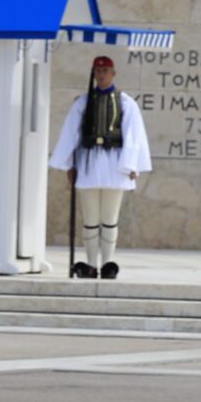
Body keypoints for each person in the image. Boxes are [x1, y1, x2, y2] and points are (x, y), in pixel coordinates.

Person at [49, 55, 153, 279]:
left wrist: (131, 165)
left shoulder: (125, 102)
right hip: (88, 163)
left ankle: (107, 263)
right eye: (97, 71)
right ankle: (90, 263)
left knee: (109, 217)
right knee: (90, 219)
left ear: (113, 74)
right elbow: (71, 134)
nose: (101, 75)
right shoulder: (82, 102)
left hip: (115, 164)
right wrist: (69, 165)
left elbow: (134, 136)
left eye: (105, 71)